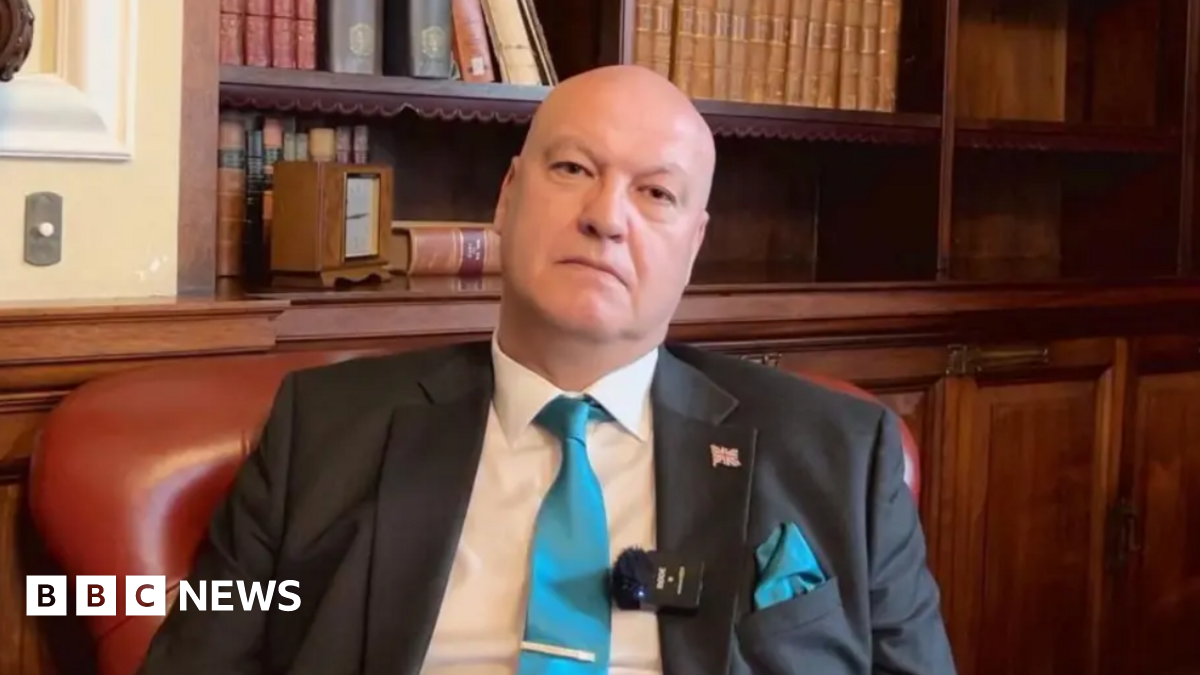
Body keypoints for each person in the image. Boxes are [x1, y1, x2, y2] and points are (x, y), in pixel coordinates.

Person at [135, 65, 956, 675]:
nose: (605, 217)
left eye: (657, 195)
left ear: (694, 244)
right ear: (507, 197)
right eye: (573, 170)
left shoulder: (843, 454)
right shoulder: (326, 428)